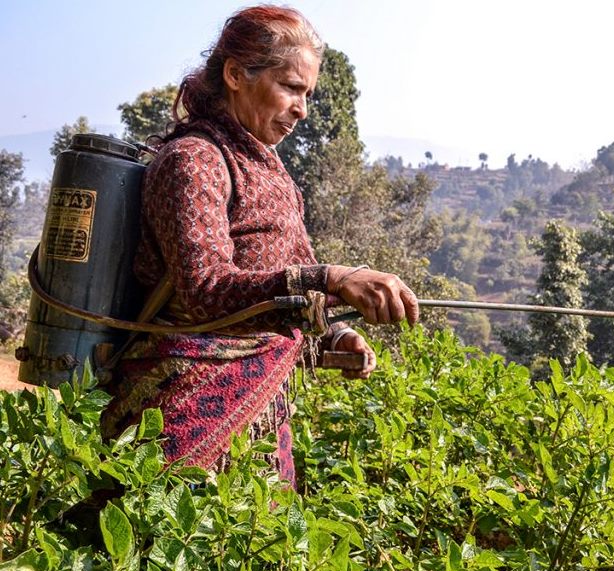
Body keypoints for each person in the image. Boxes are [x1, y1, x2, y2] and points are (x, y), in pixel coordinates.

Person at [102, 5, 418, 486]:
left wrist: (334, 335)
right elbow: (206, 289)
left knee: (259, 549)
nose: (302, 108)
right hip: (180, 413)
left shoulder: (274, 174)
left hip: (262, 420)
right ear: (235, 74)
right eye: (291, 87)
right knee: (167, 550)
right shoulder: (194, 161)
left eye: (307, 93)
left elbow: (295, 281)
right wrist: (335, 277)